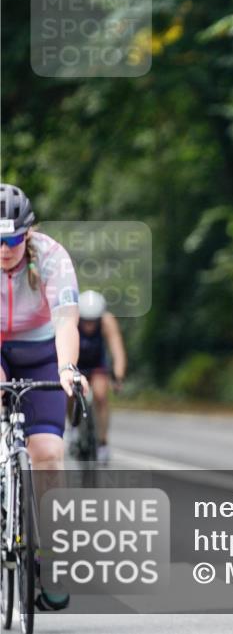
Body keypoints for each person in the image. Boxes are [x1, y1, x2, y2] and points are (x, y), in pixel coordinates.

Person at [0, 182, 88, 612]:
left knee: (48, 451)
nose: (5, 249)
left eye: (13, 239)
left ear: (28, 233)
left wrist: (68, 369)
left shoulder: (52, 257)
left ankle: (52, 556)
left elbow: (67, 320)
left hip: (40, 351)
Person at [75, 290, 126, 464]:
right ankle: (73, 427)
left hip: (97, 364)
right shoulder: (72, 320)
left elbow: (117, 351)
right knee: (69, 393)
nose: (89, 325)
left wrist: (118, 377)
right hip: (76, 364)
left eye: (93, 321)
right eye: (85, 321)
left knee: (101, 396)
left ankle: (102, 442)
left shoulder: (107, 321)